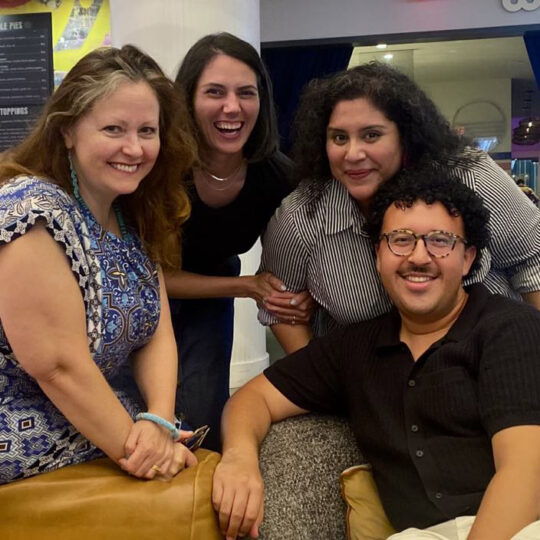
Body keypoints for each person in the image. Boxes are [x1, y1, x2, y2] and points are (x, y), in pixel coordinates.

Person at [212, 167, 540, 540]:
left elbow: (524, 473)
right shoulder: (356, 348)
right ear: (378, 254)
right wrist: (239, 457)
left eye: (440, 241)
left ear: (467, 259)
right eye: (400, 240)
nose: (419, 256)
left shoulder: (508, 328)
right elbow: (254, 397)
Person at [0, 45, 199, 484]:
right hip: (21, 436)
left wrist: (159, 422)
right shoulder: (31, 209)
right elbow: (58, 367)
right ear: (68, 130)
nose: (134, 147)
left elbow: (157, 334)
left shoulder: (132, 213)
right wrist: (146, 454)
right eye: (113, 128)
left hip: (103, 421)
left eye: (147, 130)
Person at [258, 62, 540, 354]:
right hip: (372, 384)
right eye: (339, 137)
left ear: (404, 136)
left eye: (371, 135)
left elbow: (534, 260)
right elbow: (280, 307)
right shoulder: (303, 214)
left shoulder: (469, 176)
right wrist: (319, 389)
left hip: (491, 360)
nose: (352, 154)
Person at [164, 32, 312, 451]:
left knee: (202, 414)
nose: (232, 107)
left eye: (246, 92)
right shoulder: (162, 167)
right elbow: (153, 276)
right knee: (136, 410)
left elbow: (287, 265)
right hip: (144, 291)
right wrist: (248, 287)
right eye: (215, 92)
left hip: (213, 287)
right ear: (188, 99)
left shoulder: (276, 176)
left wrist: (295, 299)